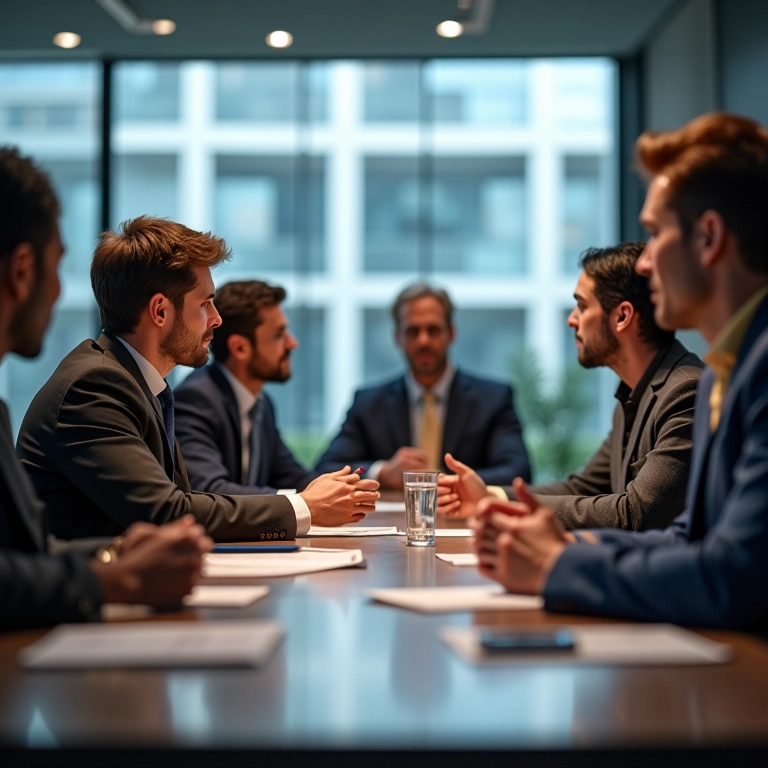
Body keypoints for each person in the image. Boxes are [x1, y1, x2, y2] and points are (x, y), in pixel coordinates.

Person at [474, 112, 768, 629]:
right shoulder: (729, 371)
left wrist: (557, 561)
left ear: (708, 237)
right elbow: (689, 542)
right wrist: (547, 539)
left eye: (654, 234)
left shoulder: (730, 377)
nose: (646, 263)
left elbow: (735, 577)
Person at [17, 216, 378, 544]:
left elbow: (183, 503)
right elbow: (168, 513)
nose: (217, 319)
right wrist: (303, 508)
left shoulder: (139, 384)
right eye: (205, 303)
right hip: (87, 607)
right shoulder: (95, 386)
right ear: (160, 311)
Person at [0, 146, 212, 630]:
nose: (58, 291)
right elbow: (170, 509)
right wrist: (111, 579)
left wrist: (115, 554)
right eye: (57, 267)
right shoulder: (93, 384)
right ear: (21, 270)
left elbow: (27, 551)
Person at [439, 242, 703, 531]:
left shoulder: (687, 391)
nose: (571, 319)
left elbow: (636, 513)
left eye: (582, 305)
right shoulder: (633, 394)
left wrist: (505, 505)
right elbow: (584, 486)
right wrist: (491, 495)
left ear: (623, 316)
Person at [314, 283, 531, 489]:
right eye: (412, 331)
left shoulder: (492, 399)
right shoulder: (369, 404)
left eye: (433, 330)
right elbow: (326, 469)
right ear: (397, 337)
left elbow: (517, 472)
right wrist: (382, 471)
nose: (423, 341)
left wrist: (454, 482)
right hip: (390, 525)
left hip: (466, 523)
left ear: (451, 333)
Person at [174, 280, 314, 495]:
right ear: (240, 347)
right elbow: (208, 491)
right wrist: (305, 501)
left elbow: (291, 476)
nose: (292, 343)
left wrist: (343, 488)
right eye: (278, 335)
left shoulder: (262, 403)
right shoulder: (197, 398)